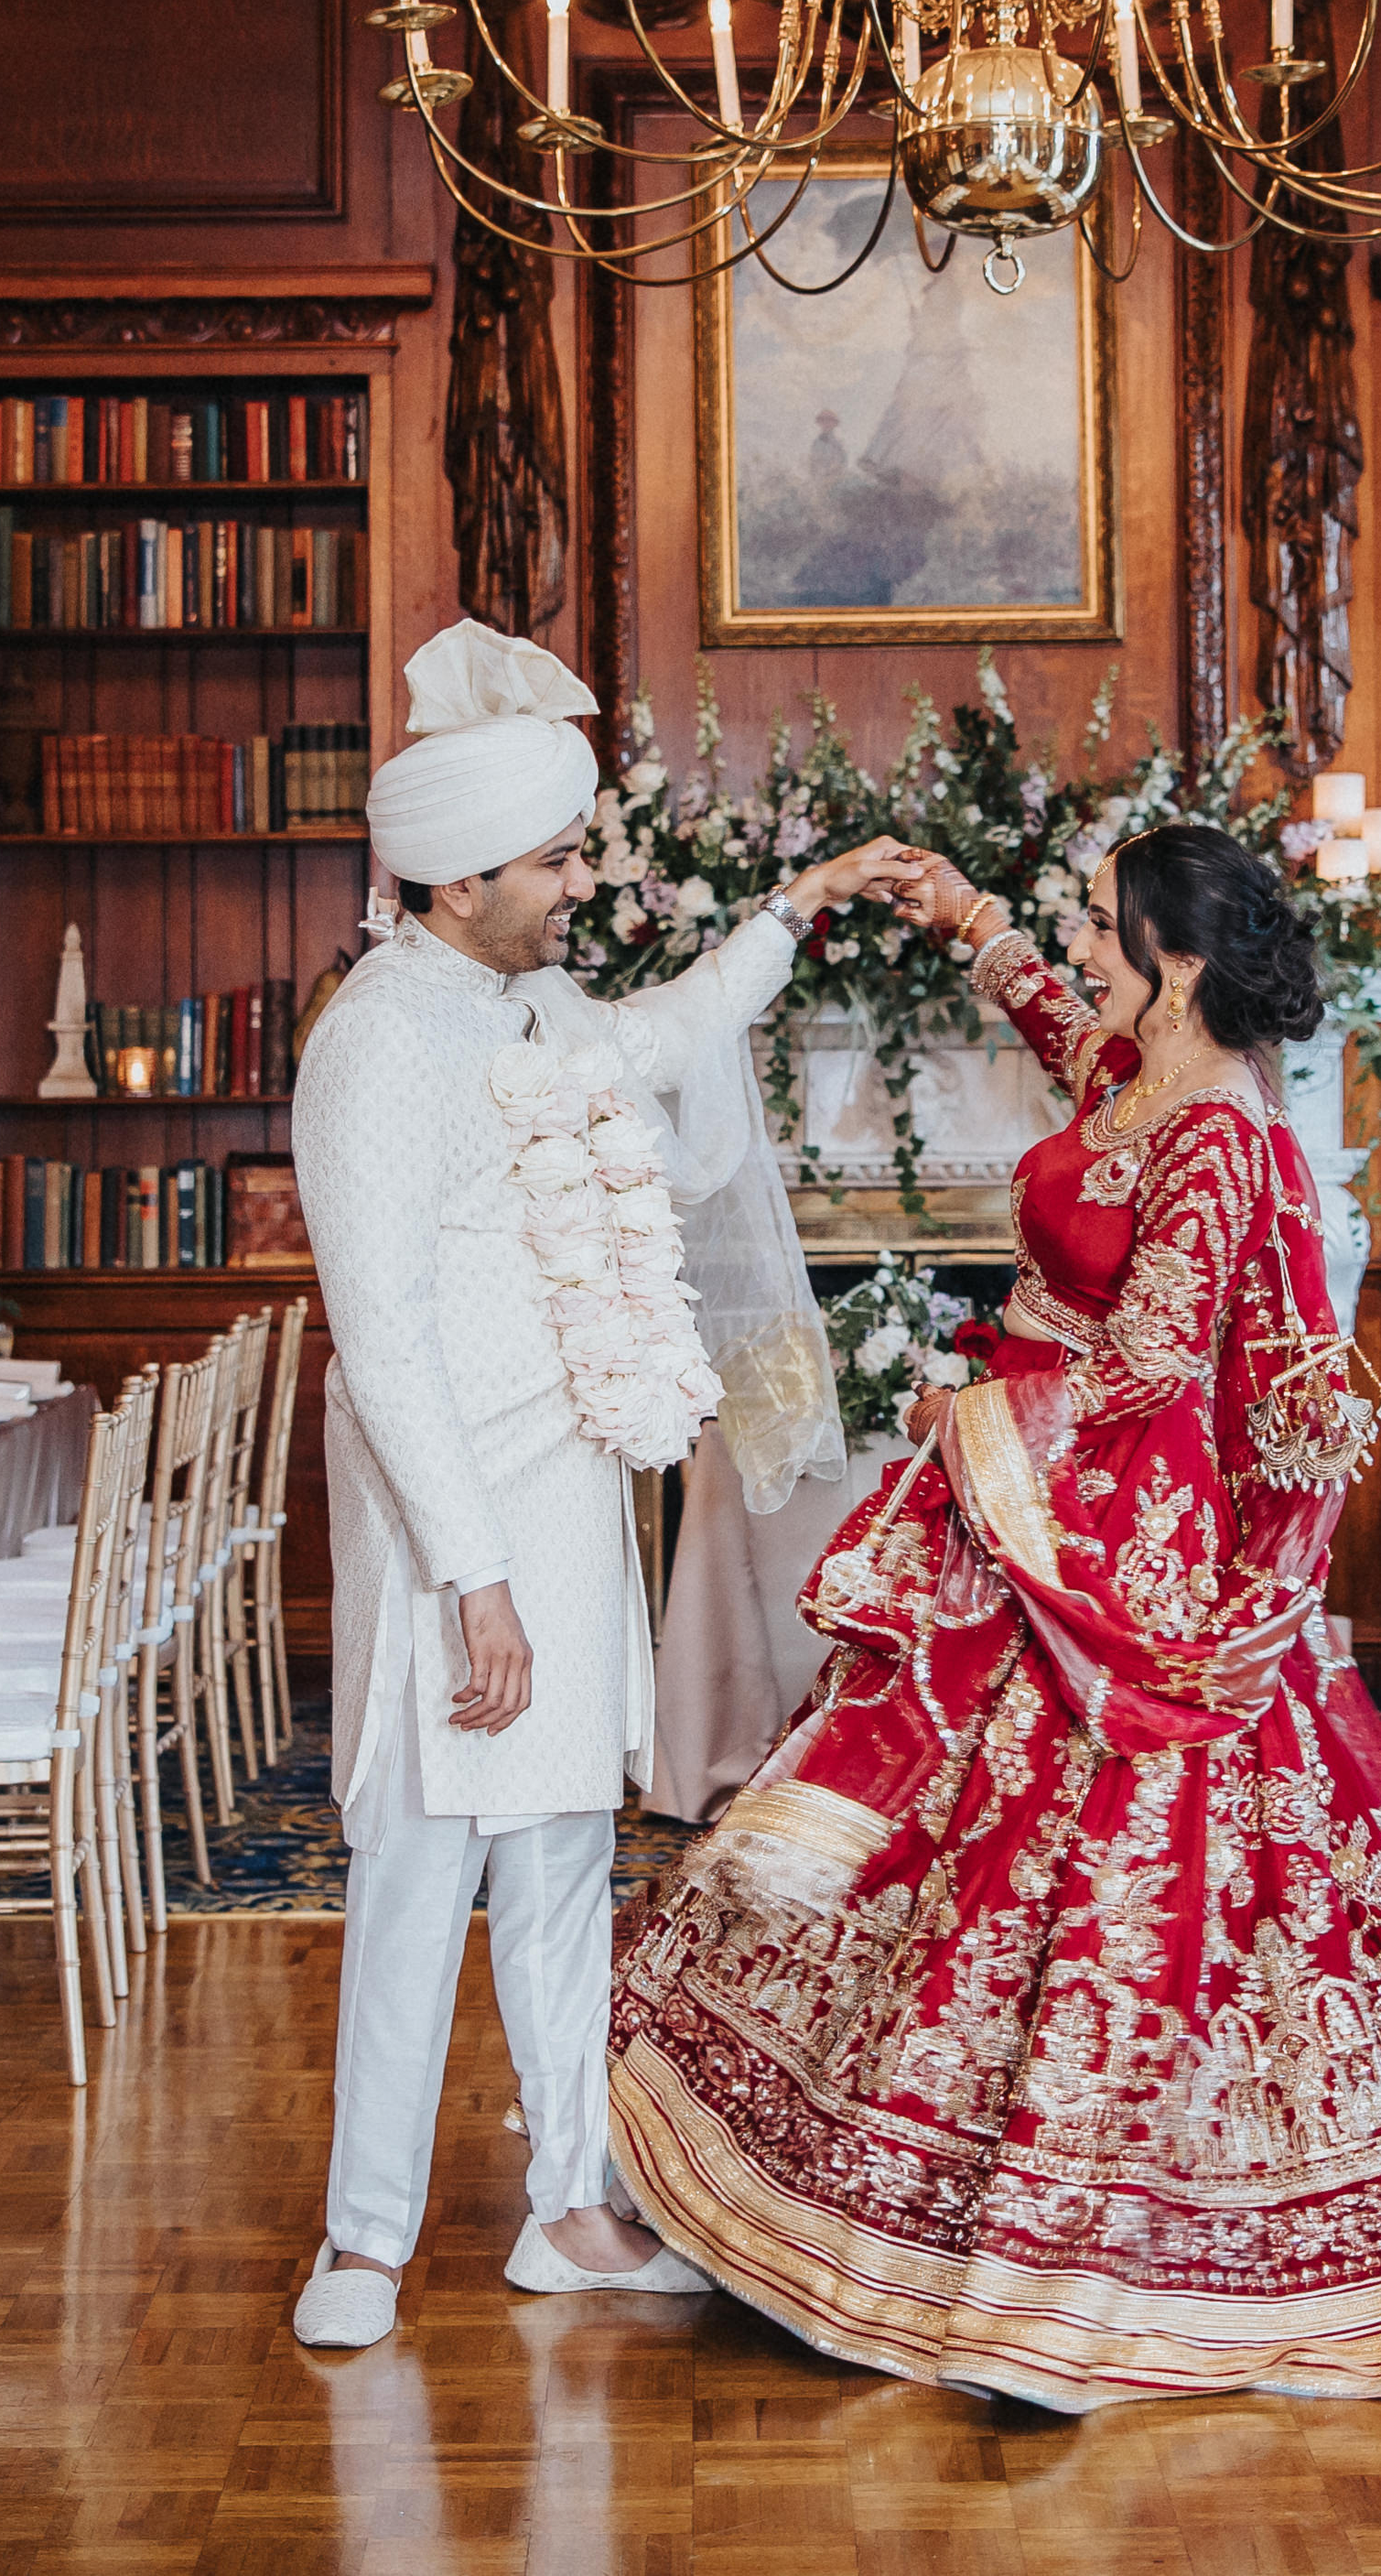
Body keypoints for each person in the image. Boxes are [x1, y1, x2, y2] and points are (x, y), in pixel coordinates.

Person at [609, 822, 1381, 2410]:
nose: (1090, 956)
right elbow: (1061, 1025)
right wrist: (963, 917)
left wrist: (958, 1419)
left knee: (1124, 1880)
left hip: (1128, 1554)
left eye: (1107, 932)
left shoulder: (1218, 1133)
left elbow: (1150, 1368)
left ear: (1177, 963)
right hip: (1059, 1513)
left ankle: (1085, 2262)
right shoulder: (1139, 1073)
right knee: (1080, 1835)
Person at [286, 616, 913, 2353]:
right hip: (448, 1535)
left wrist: (798, 908)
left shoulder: (530, 999)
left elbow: (653, 1039)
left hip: (562, 1512)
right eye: (558, 855)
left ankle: (569, 2203)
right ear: (462, 869)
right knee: (415, 1871)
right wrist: (467, 1581)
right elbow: (385, 1344)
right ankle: (364, 2240)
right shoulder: (373, 1045)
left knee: (563, 1863)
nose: (580, 878)